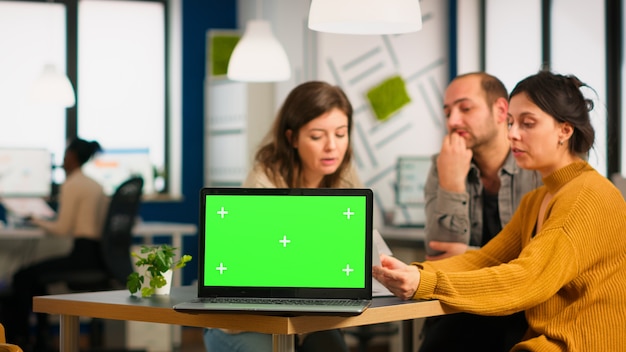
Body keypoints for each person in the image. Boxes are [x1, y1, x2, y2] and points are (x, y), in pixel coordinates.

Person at [373, 70, 626, 351]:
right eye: (511, 123)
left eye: (527, 123)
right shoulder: (538, 198)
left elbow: (528, 278)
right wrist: (413, 271)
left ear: (564, 130)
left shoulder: (586, 195)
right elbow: (485, 259)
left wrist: (425, 281)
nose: (513, 134)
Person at [203, 81, 359, 352]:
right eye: (317, 136)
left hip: (308, 318)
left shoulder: (345, 178)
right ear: (292, 138)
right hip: (247, 320)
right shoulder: (263, 181)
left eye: (341, 133)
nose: (332, 147)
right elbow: (258, 265)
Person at [419, 72, 542, 351]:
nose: (452, 121)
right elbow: (439, 257)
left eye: (465, 108)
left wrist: (466, 258)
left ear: (500, 110)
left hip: (523, 308)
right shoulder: (444, 165)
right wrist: (451, 184)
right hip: (463, 306)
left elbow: (535, 267)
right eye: (448, 112)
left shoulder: (536, 165)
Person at [6, 138, 108, 351]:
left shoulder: (72, 184)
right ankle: (42, 338)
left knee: (22, 276)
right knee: (35, 279)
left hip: (81, 256)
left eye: (64, 155)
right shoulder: (96, 185)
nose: (62, 161)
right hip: (98, 256)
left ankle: (20, 339)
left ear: (71, 157)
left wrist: (35, 219)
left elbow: (62, 229)